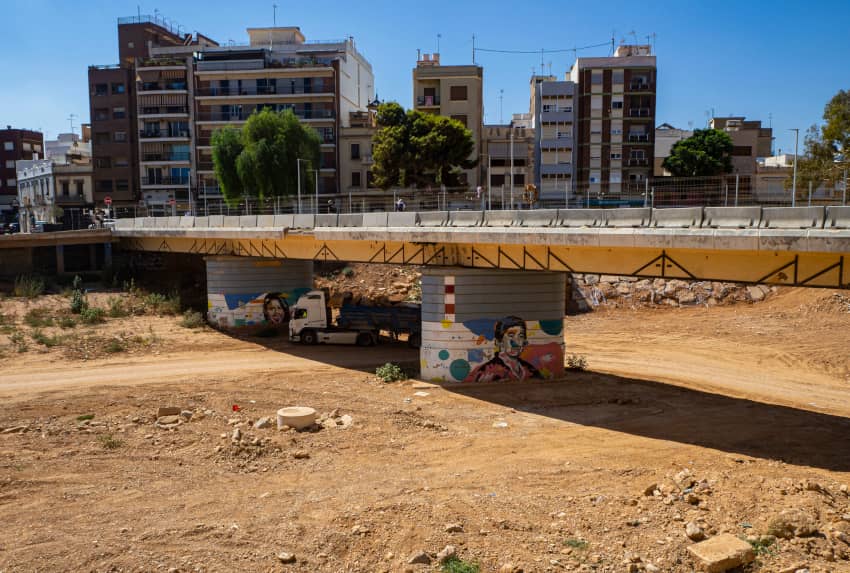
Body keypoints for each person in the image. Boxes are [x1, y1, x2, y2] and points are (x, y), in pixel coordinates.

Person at [464, 316, 542, 382]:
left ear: (524, 342)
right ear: (499, 342)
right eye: (511, 335)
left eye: (520, 336)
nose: (516, 341)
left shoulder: (530, 369)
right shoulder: (488, 371)